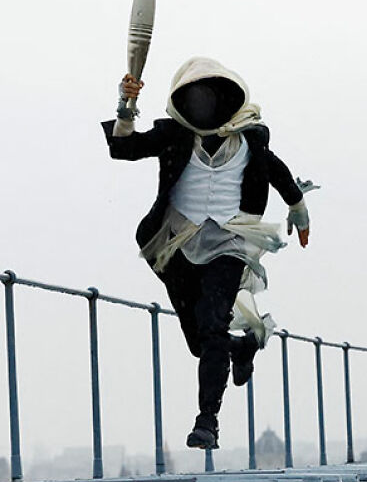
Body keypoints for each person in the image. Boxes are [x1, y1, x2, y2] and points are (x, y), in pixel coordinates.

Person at [101, 57, 315, 450]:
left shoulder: (249, 139)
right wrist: (126, 104)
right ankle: (240, 347)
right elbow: (123, 148)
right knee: (199, 341)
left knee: (213, 324)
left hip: (229, 243)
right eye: (194, 98)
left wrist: (298, 208)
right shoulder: (174, 135)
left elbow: (277, 172)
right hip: (178, 243)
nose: (202, 105)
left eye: (209, 97)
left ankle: (207, 421)